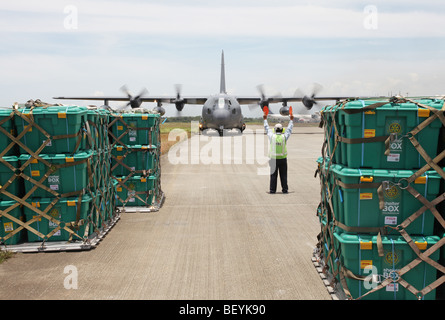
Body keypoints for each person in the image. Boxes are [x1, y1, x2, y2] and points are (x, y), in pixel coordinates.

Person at [264, 111, 294, 194]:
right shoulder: (284, 137)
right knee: (283, 175)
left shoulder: (272, 136)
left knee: (273, 176)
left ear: (274, 129)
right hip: (283, 159)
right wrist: (291, 120)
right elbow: (289, 129)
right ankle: (285, 190)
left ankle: (272, 190)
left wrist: (265, 119)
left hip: (273, 159)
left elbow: (267, 128)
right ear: (281, 130)